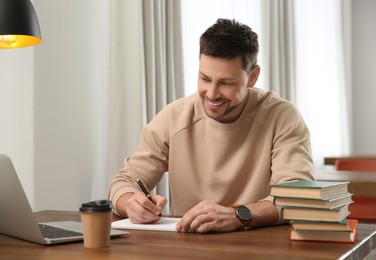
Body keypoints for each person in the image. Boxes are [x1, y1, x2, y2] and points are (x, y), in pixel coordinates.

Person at [108, 18, 314, 233]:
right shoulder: (173, 117)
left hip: (256, 246)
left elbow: (298, 199)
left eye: (226, 83)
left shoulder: (282, 117)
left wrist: (237, 215)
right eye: (205, 78)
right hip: (187, 245)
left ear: (252, 77)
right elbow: (123, 182)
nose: (212, 93)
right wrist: (132, 203)